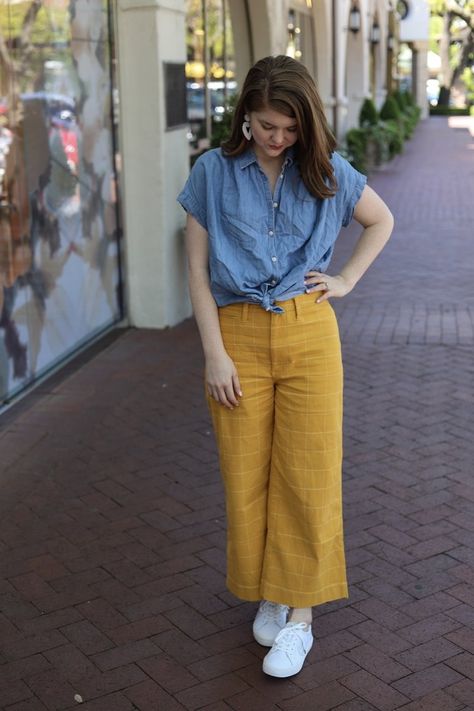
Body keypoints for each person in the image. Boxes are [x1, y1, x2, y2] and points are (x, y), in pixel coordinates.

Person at [177, 55, 393, 678]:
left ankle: (300, 618)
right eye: (268, 124)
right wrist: (214, 353)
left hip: (308, 331)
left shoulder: (325, 171)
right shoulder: (211, 174)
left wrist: (347, 277)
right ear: (245, 113)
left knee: (309, 474)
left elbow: (380, 220)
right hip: (237, 335)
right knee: (246, 477)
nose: (278, 138)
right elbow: (195, 270)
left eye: (290, 129)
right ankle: (273, 585)